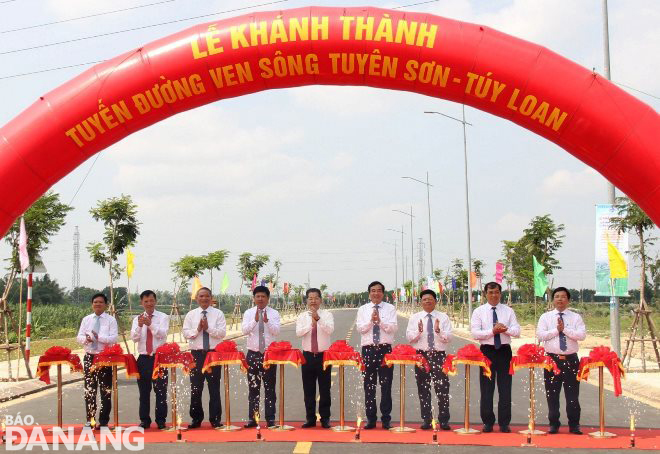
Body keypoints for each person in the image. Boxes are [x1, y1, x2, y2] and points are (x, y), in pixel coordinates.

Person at [470, 281, 520, 433]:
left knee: (505, 388)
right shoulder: (479, 311)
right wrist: (492, 332)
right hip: (487, 352)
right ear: (485, 294)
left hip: (504, 351)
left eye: (496, 292)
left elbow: (517, 331)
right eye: (490, 292)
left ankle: (504, 423)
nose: (494, 295)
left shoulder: (508, 311)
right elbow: (475, 333)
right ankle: (488, 422)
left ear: (500, 293)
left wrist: (505, 330)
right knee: (487, 388)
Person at [537, 286, 586, 435]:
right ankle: (553, 423)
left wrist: (565, 329)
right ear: (553, 300)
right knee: (552, 393)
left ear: (568, 300)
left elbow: (581, 335)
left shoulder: (575, 317)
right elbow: (541, 335)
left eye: (563, 297)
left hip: (571, 360)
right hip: (552, 359)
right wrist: (556, 330)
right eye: (557, 296)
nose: (560, 299)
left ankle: (574, 424)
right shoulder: (545, 317)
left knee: (572, 395)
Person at [405, 289, 452, 431]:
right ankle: (427, 419)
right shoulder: (415, 318)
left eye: (430, 299)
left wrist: (439, 331)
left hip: (439, 355)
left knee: (442, 388)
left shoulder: (443, 317)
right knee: (423, 388)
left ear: (435, 301)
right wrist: (419, 332)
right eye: (424, 299)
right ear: (421, 302)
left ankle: (443, 420)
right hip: (421, 356)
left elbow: (449, 338)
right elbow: (410, 338)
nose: (427, 301)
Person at [182, 287, 227, 429]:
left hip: (213, 354)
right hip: (196, 355)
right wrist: (198, 330)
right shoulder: (191, 315)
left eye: (207, 296)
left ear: (211, 297)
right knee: (196, 388)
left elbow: (222, 333)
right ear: (196, 298)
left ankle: (215, 419)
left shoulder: (218, 314)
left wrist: (208, 328)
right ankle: (196, 419)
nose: (204, 298)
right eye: (201, 296)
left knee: (214, 388)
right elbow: (186, 333)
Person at [356, 281, 398, 429]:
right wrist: (370, 321)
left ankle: (386, 419)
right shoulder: (363, 309)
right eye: (373, 291)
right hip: (368, 350)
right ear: (369, 293)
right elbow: (360, 329)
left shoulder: (390, 308)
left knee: (386, 385)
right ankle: (371, 419)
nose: (376, 293)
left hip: (385, 350)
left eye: (379, 290)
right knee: (369, 385)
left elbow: (393, 328)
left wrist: (379, 322)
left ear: (383, 293)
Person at [76, 293, 118, 428]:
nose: (97, 304)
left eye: (100, 302)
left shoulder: (111, 320)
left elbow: (113, 339)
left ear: (105, 305)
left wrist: (98, 337)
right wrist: (86, 339)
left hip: (104, 358)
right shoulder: (86, 319)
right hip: (90, 356)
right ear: (92, 304)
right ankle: (90, 420)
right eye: (95, 302)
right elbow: (79, 337)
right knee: (89, 390)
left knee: (106, 391)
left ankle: (104, 421)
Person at [242, 285, 281, 428]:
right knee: (253, 388)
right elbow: (244, 331)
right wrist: (255, 320)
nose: (260, 299)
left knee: (270, 388)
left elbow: (276, 331)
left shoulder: (274, 313)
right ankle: (253, 418)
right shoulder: (248, 313)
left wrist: (266, 321)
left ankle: (270, 419)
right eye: (257, 296)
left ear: (268, 299)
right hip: (252, 354)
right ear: (254, 298)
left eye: (263, 296)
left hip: (269, 355)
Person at [130, 290, 170, 430]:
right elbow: (134, 338)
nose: (149, 303)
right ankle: (144, 420)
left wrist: (150, 324)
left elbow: (162, 335)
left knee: (160, 391)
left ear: (155, 301)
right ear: (141, 303)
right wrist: (141, 325)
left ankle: (161, 420)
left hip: (159, 358)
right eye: (146, 301)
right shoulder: (137, 319)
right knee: (144, 391)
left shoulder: (163, 317)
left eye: (151, 300)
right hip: (143, 358)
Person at [295, 288, 334, 428]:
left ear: (320, 300)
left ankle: (325, 418)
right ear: (307, 300)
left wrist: (319, 319)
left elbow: (330, 330)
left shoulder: (327, 315)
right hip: (307, 356)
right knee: (308, 389)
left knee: (324, 389)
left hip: (324, 356)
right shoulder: (302, 316)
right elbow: (298, 333)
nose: (313, 301)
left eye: (316, 298)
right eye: (310, 298)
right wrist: (310, 324)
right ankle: (310, 418)